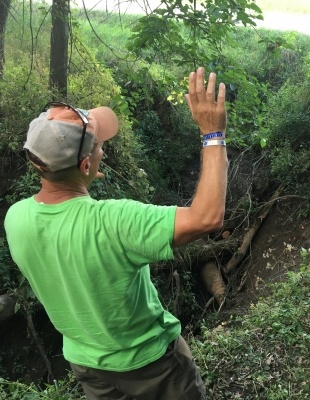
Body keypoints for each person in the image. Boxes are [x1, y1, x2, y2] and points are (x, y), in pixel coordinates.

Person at [4, 67, 227, 400]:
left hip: (87, 366)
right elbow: (206, 217)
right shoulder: (113, 221)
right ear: (85, 167)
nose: (103, 151)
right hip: (153, 365)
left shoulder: (15, 217)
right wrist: (213, 133)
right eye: (98, 147)